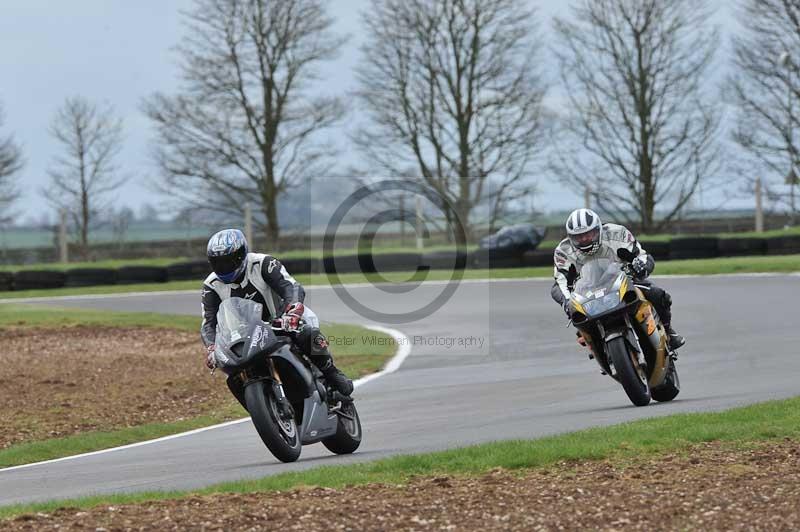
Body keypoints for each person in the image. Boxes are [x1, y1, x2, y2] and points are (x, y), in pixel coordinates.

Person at [200, 229, 354, 400]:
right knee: (230, 368)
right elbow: (208, 322)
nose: (224, 267)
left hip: (281, 320)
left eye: (228, 261)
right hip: (246, 334)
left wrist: (292, 312)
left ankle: (331, 373)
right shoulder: (211, 285)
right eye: (218, 262)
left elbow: (291, 287)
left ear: (241, 254)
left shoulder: (263, 263)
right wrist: (212, 348)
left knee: (306, 332)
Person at [550, 208, 685, 351]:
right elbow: (560, 282)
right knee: (578, 320)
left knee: (658, 295)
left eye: (588, 234)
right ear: (570, 237)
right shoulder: (563, 251)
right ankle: (599, 349)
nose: (584, 239)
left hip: (623, 281)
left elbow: (641, 255)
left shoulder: (617, 234)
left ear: (598, 229)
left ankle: (668, 332)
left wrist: (641, 265)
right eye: (578, 237)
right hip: (587, 292)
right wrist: (567, 301)